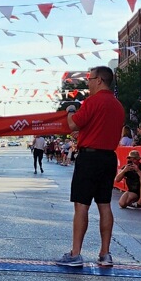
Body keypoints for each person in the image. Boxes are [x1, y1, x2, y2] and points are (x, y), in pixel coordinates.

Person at [56, 66, 125, 268]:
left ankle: (76, 254)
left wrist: (70, 111)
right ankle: (105, 253)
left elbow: (73, 124)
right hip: (108, 158)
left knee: (81, 205)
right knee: (104, 205)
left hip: (90, 159)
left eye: (90, 78)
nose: (88, 82)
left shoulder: (92, 101)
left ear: (100, 80)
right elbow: (99, 128)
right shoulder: (118, 105)